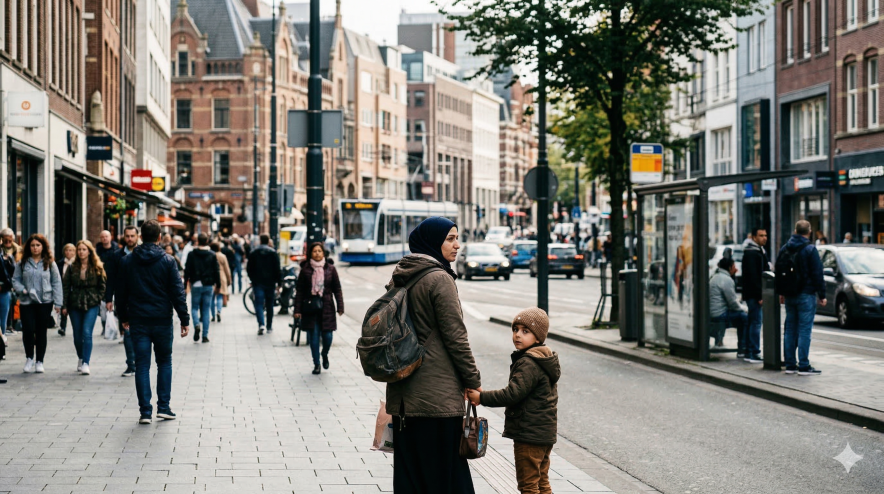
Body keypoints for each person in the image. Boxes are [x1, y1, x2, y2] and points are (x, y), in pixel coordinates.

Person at [386, 217, 481, 493]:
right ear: (432, 242)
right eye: (450, 238)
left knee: (411, 476)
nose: (457, 245)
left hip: (404, 396)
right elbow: (456, 338)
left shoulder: (401, 275)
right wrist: (472, 380)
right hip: (436, 399)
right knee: (446, 477)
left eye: (457, 238)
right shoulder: (439, 278)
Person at [467, 308, 560, 494]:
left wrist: (481, 397)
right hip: (543, 433)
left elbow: (512, 394)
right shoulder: (543, 358)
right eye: (515, 329)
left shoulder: (529, 362)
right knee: (541, 482)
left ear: (539, 337)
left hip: (529, 434)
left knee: (528, 486)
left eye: (525, 331)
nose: (517, 335)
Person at [116, 219, 190, 424]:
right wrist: (184, 318)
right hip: (162, 320)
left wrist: (124, 317)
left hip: (138, 319)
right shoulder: (167, 261)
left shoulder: (128, 261)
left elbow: (121, 292)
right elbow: (177, 292)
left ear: (140, 236)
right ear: (159, 237)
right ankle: (164, 407)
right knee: (164, 362)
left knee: (141, 365)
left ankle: (145, 412)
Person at [778, 220, 826, 376]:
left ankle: (790, 365)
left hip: (790, 294)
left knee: (790, 329)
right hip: (806, 294)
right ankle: (804, 365)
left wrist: (781, 292)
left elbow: (778, 271)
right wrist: (822, 295)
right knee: (805, 330)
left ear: (795, 230)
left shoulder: (785, 248)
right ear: (809, 232)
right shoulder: (810, 249)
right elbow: (817, 273)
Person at [12, 234, 63, 373]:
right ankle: (29, 357)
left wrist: (58, 303)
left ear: (43, 247)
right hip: (27, 301)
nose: (35, 248)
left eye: (38, 245)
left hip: (44, 301)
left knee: (41, 331)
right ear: (29, 247)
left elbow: (56, 282)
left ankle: (40, 360)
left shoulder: (50, 263)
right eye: (33, 245)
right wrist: (22, 289)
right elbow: (15, 280)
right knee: (28, 329)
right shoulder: (22, 263)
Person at [293, 243, 343, 375]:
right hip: (310, 308)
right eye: (314, 251)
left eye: (319, 251)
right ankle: (316, 364)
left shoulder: (331, 269)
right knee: (313, 338)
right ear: (310, 253)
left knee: (328, 337)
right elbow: (300, 291)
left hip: (327, 307)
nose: (317, 253)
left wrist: (340, 306)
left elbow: (337, 289)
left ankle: (324, 354)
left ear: (323, 253)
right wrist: (297, 310)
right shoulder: (305, 270)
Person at [62, 240, 107, 376]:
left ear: (89, 251)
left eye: (84, 249)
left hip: (91, 302)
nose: (81, 252)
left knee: (87, 332)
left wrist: (98, 298)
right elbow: (65, 287)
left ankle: (86, 362)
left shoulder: (97, 267)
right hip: (75, 302)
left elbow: (103, 285)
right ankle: (81, 357)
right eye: (79, 249)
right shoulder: (71, 267)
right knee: (77, 334)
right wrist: (64, 305)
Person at [105, 226, 139, 377]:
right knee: (128, 331)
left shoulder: (143, 254)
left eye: (132, 236)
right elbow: (110, 278)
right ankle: (131, 364)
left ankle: (140, 362)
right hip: (123, 299)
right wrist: (108, 298)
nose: (130, 239)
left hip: (142, 299)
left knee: (140, 333)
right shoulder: (116, 256)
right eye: (127, 236)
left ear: (137, 236)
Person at [184, 233, 220, 343]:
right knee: (206, 309)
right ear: (207, 241)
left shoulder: (192, 254)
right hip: (208, 284)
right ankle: (205, 335)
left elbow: (187, 269)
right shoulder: (212, 255)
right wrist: (218, 284)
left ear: (198, 241)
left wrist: (185, 283)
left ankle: (196, 325)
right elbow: (216, 270)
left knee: (194, 308)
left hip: (196, 284)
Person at [741, 228, 770, 363]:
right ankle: (753, 352)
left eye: (765, 235)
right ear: (754, 237)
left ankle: (748, 350)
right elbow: (754, 276)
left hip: (752, 293)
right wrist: (760, 295)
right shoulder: (753, 253)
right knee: (756, 322)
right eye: (761, 236)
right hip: (754, 294)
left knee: (753, 321)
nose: (764, 238)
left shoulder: (757, 251)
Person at [709, 257, 747, 352]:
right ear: (729, 268)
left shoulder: (715, 277)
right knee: (744, 317)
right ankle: (743, 348)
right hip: (719, 314)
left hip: (712, 312)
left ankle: (719, 341)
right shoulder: (726, 280)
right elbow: (733, 303)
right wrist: (745, 309)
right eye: (734, 266)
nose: (736, 269)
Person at [247, 234, 281, 335]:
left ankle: (261, 324)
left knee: (258, 303)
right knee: (270, 304)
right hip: (270, 282)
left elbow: (249, 268)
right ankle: (269, 326)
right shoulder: (273, 253)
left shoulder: (254, 252)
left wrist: (252, 279)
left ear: (260, 241)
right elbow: (277, 269)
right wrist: (279, 283)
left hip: (258, 282)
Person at [96, 230, 119, 330]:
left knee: (116, 302)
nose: (105, 238)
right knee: (103, 305)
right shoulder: (97, 252)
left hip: (114, 278)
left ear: (110, 237)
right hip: (101, 279)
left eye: (106, 236)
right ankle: (105, 326)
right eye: (103, 237)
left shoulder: (116, 250)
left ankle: (117, 325)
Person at [55, 244, 76, 336]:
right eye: (67, 250)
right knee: (63, 306)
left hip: (74, 289)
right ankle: (62, 327)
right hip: (63, 287)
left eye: (71, 250)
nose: (69, 252)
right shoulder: (60, 263)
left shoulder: (77, 263)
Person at [209, 242, 232, 324]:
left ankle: (213, 315)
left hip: (211, 277)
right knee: (220, 296)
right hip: (221, 277)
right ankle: (218, 311)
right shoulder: (222, 256)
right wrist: (229, 279)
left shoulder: (209, 255)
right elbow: (227, 269)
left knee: (211, 298)